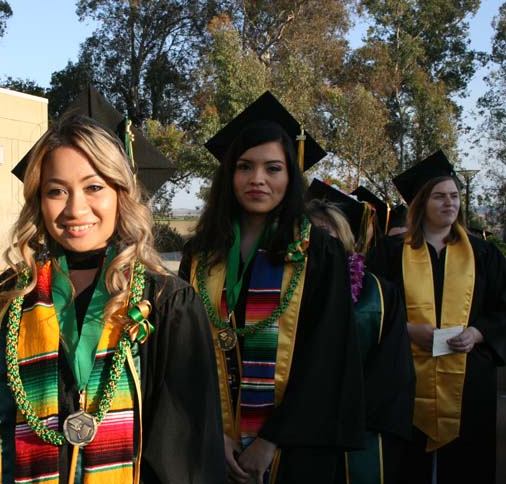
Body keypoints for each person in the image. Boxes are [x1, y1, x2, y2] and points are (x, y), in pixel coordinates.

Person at [0, 115, 226, 483]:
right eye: (56, 190)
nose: (75, 209)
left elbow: (187, 453)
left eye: (93, 187)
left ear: (120, 193)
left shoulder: (166, 303)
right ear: (38, 200)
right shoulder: (7, 300)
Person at [179, 91, 365, 484]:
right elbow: (184, 352)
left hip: (293, 449)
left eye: (273, 168)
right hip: (214, 443)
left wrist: (271, 439)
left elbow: (327, 356)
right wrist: (216, 430)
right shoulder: (200, 254)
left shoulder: (318, 253)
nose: (257, 179)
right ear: (229, 176)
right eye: (244, 167)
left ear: (290, 176)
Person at [367, 150, 506, 484]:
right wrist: (406, 330)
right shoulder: (389, 253)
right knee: (406, 469)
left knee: (467, 469)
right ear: (421, 203)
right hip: (404, 380)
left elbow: (503, 308)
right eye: (439, 196)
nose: (450, 203)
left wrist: (477, 333)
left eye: (455, 196)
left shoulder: (483, 253)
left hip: (469, 382)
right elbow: (369, 308)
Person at [306, 180, 415, 484]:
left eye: (325, 231)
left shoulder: (378, 294)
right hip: (297, 423)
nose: (316, 239)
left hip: (363, 423)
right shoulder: (283, 289)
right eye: (308, 231)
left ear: (344, 236)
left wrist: (350, 410)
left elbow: (393, 368)